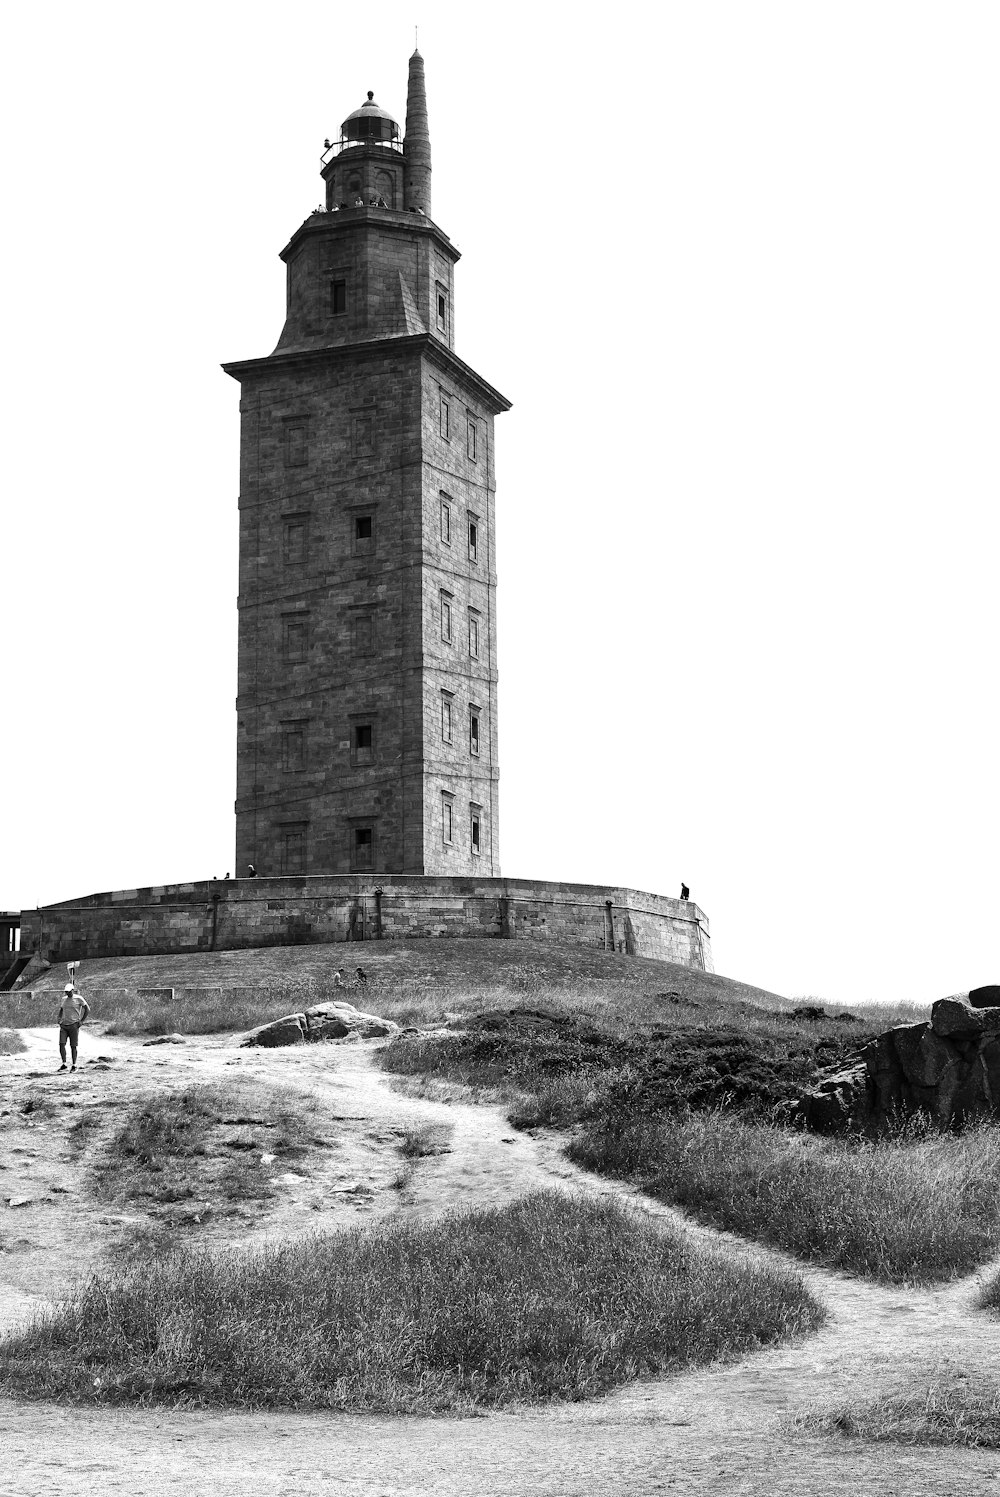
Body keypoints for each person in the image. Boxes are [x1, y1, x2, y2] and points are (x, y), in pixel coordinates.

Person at [57, 982, 90, 1072]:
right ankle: (64, 1063)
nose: (67, 993)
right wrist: (59, 1018)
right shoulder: (63, 999)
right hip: (64, 1025)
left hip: (74, 1025)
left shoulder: (79, 998)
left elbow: (87, 1009)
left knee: (73, 1045)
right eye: (66, 992)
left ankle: (74, 1065)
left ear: (72, 990)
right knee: (61, 1044)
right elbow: (61, 1009)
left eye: (69, 991)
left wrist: (82, 1021)